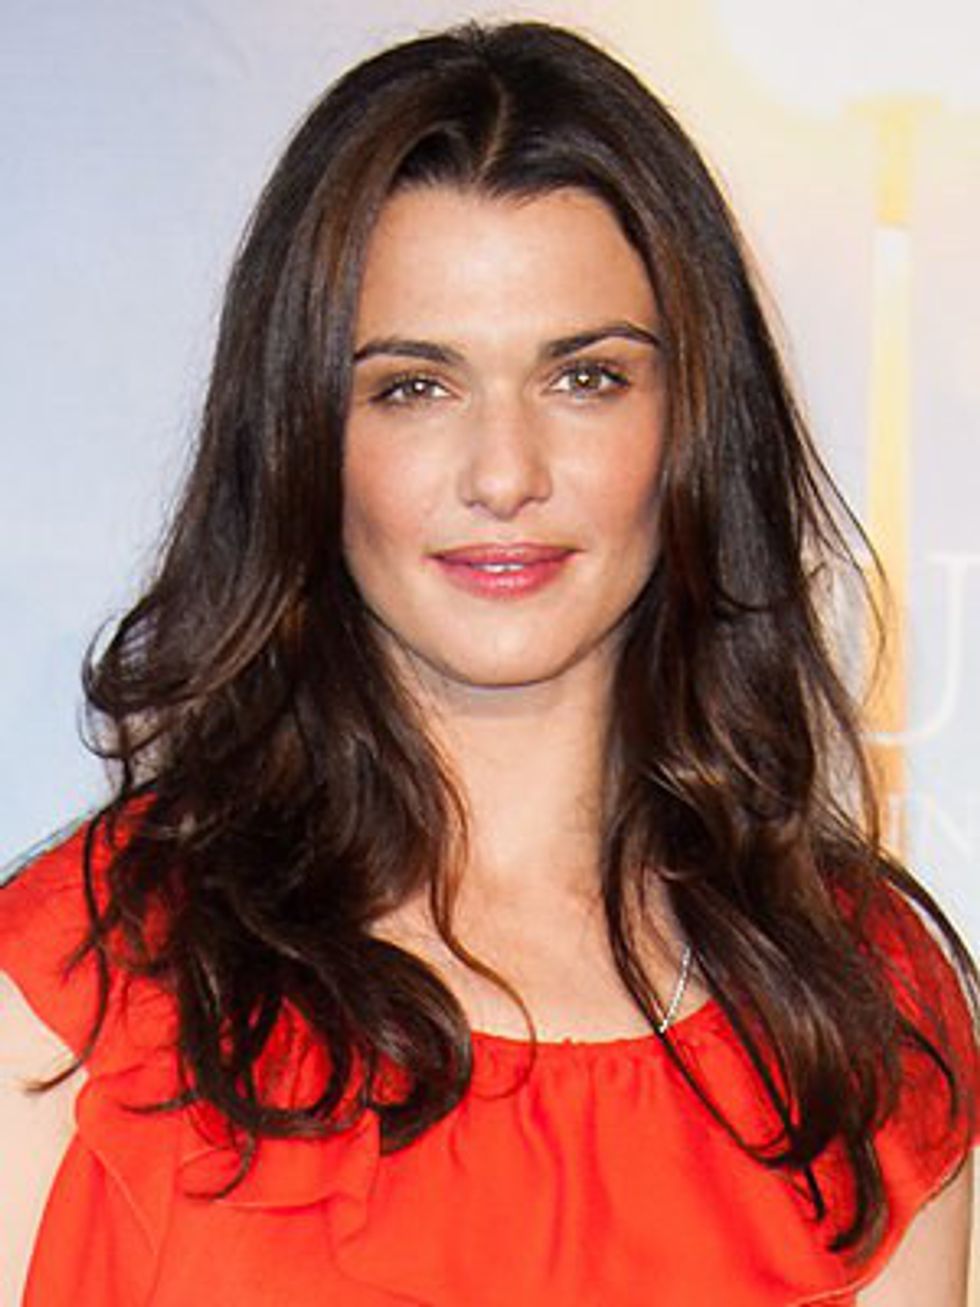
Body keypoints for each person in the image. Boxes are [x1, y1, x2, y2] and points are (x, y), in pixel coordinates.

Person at [1, 19, 976, 1306]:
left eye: (585, 377)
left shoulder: (857, 1013)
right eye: (414, 386)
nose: (504, 473)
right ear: (302, 437)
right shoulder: (81, 993)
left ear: (692, 422)